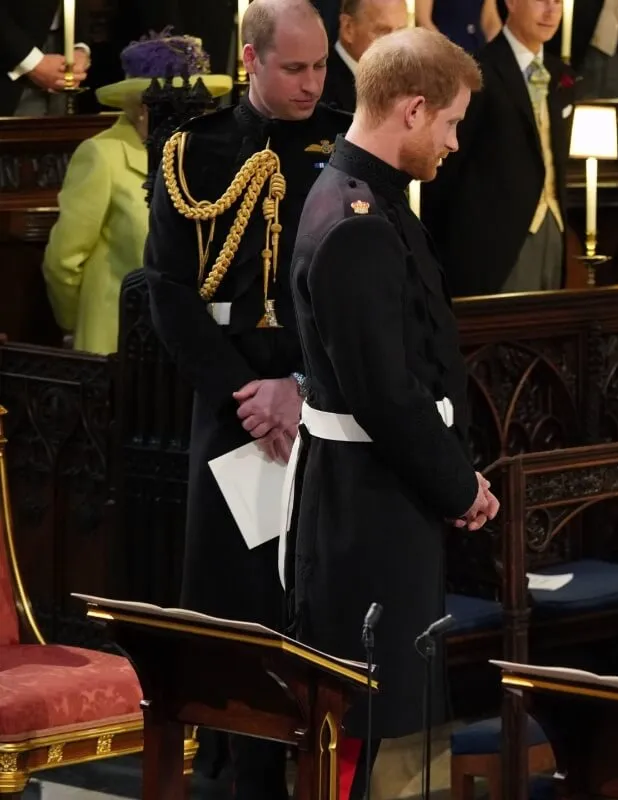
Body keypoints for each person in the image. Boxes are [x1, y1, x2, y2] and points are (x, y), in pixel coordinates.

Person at [284, 26, 497, 800]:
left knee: (406, 709)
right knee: (378, 723)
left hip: (385, 498)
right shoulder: (355, 222)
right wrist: (459, 484)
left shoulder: (364, 198)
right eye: (449, 122)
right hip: (367, 508)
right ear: (412, 110)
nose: (452, 141)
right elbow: (385, 391)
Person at [143, 1, 349, 796]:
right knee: (232, 601)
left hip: (318, 404)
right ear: (252, 58)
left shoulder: (344, 146)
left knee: (309, 597)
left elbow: (352, 294)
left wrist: (297, 389)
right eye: (293, 68)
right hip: (230, 407)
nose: (310, 84)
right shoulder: (193, 149)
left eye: (321, 66)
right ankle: (228, 772)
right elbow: (168, 290)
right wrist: (245, 392)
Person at [44, 32, 230, 355]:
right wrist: (75, 324)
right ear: (143, 107)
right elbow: (63, 262)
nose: (194, 116)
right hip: (115, 343)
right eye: (178, 106)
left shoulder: (205, 157)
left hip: (187, 349)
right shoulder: (102, 155)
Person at [425, 0, 575, 295]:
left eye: (558, 1)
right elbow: (449, 169)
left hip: (553, 229)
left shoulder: (563, 75)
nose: (551, 10)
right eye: (541, 0)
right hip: (494, 243)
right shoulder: (478, 72)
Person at [325, 0, 408, 111]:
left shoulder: (409, 79)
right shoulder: (321, 89)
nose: (396, 45)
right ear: (348, 28)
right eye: (382, 31)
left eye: (401, 31)